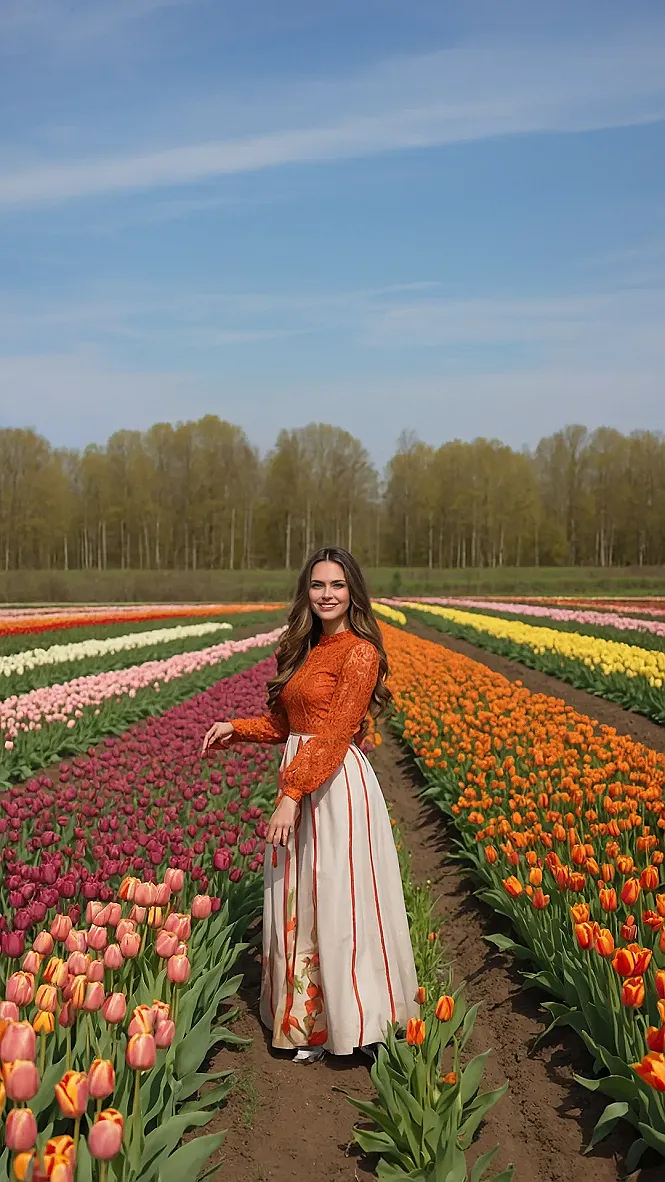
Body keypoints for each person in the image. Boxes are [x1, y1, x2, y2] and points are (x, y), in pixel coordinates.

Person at [202, 546, 419, 1063]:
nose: (327, 594)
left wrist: (290, 795)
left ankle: (357, 1022)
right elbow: (289, 727)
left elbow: (336, 733)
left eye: (337, 585)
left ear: (353, 593)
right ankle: (306, 1022)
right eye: (318, 585)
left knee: (338, 897)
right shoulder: (305, 649)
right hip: (302, 778)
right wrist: (237, 729)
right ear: (307, 592)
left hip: (336, 786)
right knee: (300, 897)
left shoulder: (359, 652)